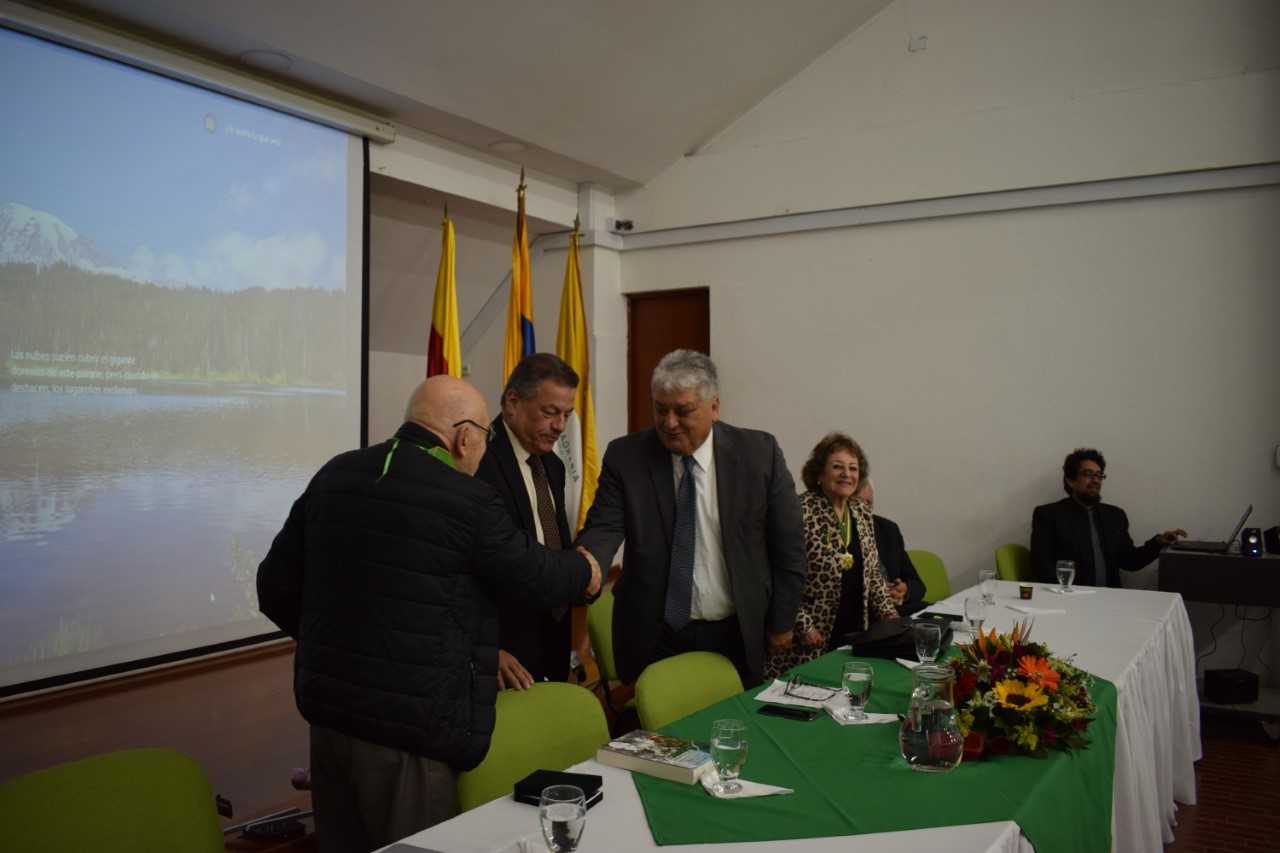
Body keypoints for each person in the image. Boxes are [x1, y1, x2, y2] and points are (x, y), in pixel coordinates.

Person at [256, 375, 602, 852]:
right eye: (485, 437)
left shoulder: (337, 473)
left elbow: (273, 587)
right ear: (464, 436)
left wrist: (333, 645)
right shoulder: (465, 499)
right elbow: (534, 574)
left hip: (329, 723)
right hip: (411, 731)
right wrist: (585, 570)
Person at [576, 350, 805, 687]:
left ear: (714, 407)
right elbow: (604, 526)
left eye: (683, 411)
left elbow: (789, 544)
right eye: (660, 409)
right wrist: (588, 564)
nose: (669, 423)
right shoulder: (626, 457)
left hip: (737, 632)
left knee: (735, 733)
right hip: (654, 634)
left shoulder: (759, 455)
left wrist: (783, 621)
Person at [476, 353, 578, 689]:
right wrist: (485, 647)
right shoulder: (477, 460)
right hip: (501, 650)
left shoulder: (553, 466)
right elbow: (465, 567)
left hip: (552, 635)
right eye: (550, 413)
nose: (560, 426)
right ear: (513, 402)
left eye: (567, 415)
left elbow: (554, 546)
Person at [765, 433, 897, 679]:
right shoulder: (799, 511)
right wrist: (803, 624)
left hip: (855, 630)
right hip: (810, 636)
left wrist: (891, 617)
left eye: (853, 468)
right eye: (837, 467)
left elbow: (874, 576)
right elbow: (779, 575)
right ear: (819, 473)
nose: (847, 474)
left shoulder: (861, 512)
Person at [1030, 448, 1186, 588]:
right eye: (1088, 474)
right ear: (1070, 480)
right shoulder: (1048, 515)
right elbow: (1042, 567)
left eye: (1099, 475)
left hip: (1110, 602)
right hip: (1069, 602)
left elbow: (1130, 561)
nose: (1096, 480)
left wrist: (1158, 542)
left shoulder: (1115, 516)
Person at [856, 477, 927, 616]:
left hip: (899, 612)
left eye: (868, 504)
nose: (864, 510)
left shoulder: (887, 529)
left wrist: (903, 591)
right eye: (857, 504)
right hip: (864, 619)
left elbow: (918, 585)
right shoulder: (834, 535)